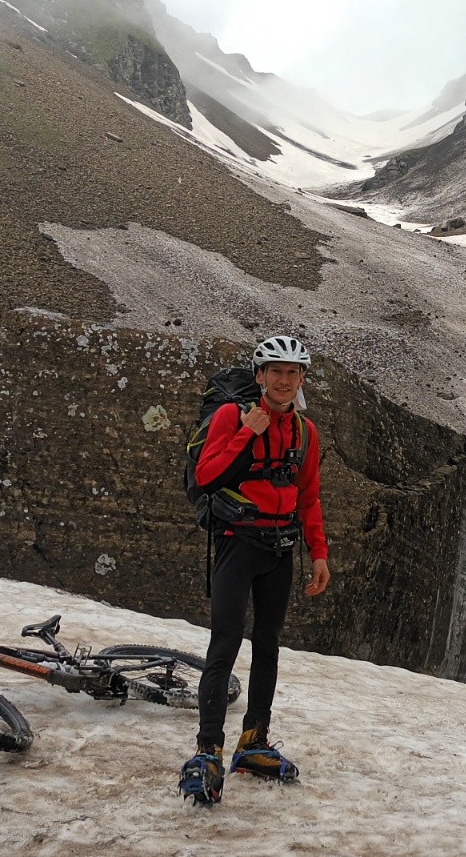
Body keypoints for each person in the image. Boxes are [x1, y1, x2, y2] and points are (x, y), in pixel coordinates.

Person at [181, 335, 330, 802]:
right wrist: (250, 430)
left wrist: (319, 553)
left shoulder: (306, 433)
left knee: (267, 646)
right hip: (236, 544)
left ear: (302, 379)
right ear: (259, 376)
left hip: (279, 550)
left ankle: (253, 742)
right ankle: (208, 750)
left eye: (293, 373)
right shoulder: (231, 416)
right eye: (275, 371)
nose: (284, 381)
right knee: (223, 644)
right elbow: (207, 475)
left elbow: (308, 497)